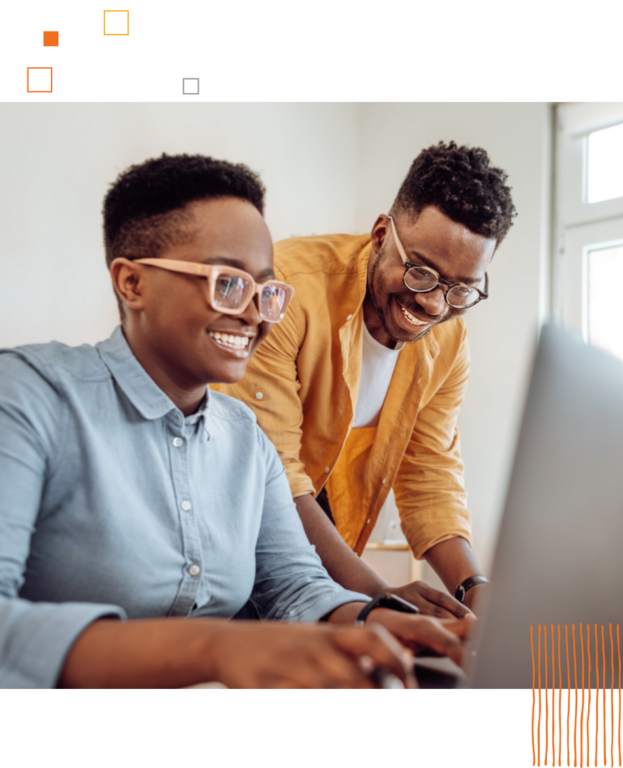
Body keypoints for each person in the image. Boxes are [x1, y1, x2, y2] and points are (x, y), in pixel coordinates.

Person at [0, 153, 472, 690]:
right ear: (131, 283)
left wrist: (377, 621)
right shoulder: (28, 397)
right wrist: (215, 648)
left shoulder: (246, 439)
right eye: (227, 283)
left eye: (266, 291)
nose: (253, 312)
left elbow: (294, 586)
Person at [213, 142, 517, 619]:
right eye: (421, 273)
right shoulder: (286, 289)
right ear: (381, 235)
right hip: (236, 550)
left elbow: (430, 473)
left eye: (460, 289)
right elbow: (271, 476)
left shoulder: (450, 343)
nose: (435, 305)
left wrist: (474, 590)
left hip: (325, 563)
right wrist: (380, 599)